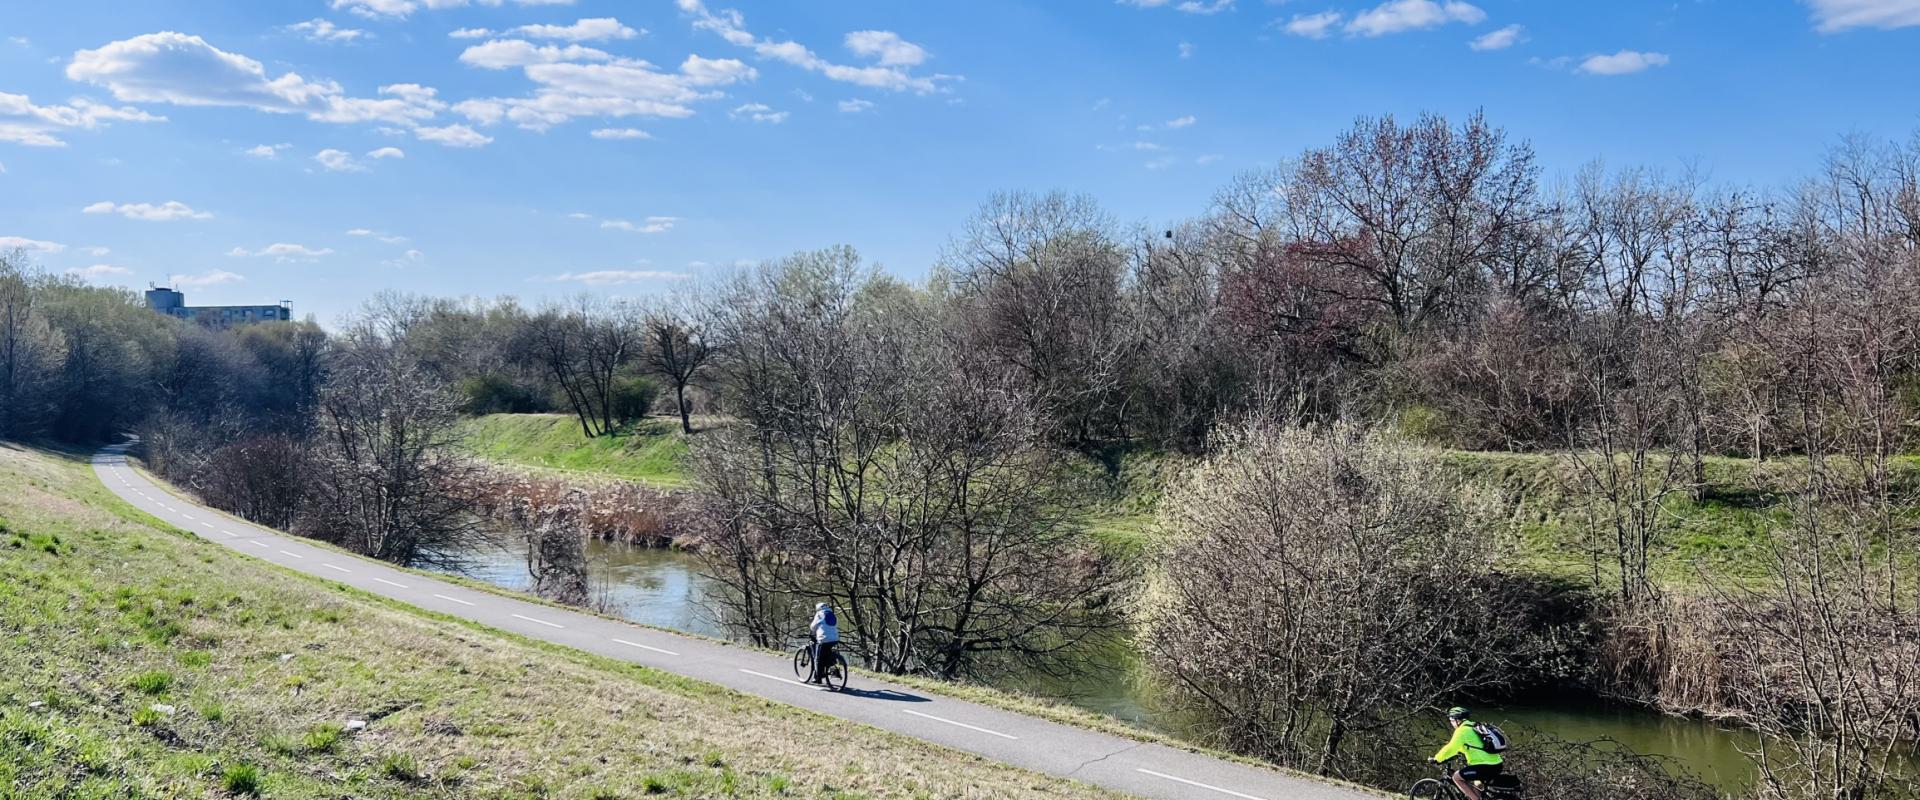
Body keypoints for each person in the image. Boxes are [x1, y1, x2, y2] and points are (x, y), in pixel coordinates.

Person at [1431, 707, 1503, 800]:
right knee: (1477, 785)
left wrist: (1437, 758)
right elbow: (1472, 745)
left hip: (1484, 767)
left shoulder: (1461, 731)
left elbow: (1451, 748)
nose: (1451, 723)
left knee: (1456, 777)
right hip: (1497, 764)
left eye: (1451, 720)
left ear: (1457, 720)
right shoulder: (1473, 726)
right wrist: (1459, 753)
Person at [807, 602, 839, 684]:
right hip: (835, 639)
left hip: (824, 639)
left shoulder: (819, 614)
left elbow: (813, 626)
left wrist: (813, 631)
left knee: (818, 659)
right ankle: (832, 667)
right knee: (827, 654)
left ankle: (818, 678)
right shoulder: (832, 614)